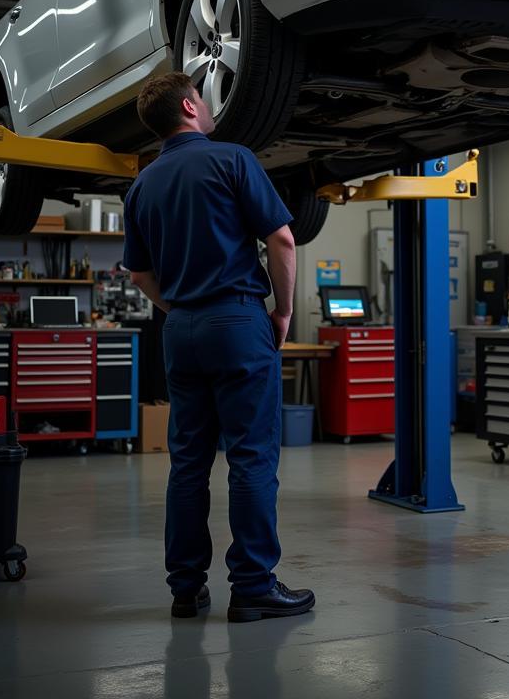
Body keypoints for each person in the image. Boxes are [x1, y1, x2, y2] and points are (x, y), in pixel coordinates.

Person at [123, 71, 314, 623]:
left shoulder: (143, 185)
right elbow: (281, 236)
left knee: (187, 463)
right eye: (202, 99)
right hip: (236, 321)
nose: (208, 107)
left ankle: (187, 588)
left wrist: (181, 308)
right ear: (189, 105)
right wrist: (281, 309)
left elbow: (139, 273)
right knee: (251, 457)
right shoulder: (232, 158)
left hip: (179, 330)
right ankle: (253, 586)